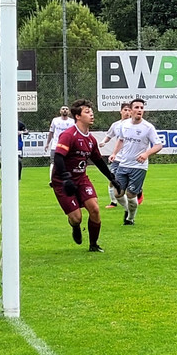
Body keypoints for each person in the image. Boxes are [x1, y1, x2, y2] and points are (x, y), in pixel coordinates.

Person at [51, 99, 121, 253]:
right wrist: (65, 177)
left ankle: (93, 245)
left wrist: (112, 178)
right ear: (77, 116)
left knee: (95, 209)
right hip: (63, 181)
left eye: (91, 112)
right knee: (77, 218)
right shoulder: (69, 135)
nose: (91, 115)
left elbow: (98, 161)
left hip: (81, 179)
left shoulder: (91, 140)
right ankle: (75, 226)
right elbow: (58, 157)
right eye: (87, 112)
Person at [109, 99, 162, 225]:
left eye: (141, 108)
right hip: (123, 164)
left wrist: (146, 154)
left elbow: (158, 145)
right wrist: (114, 153)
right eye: (137, 107)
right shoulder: (124, 125)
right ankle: (128, 209)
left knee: (131, 194)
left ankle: (130, 219)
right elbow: (121, 140)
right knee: (118, 193)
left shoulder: (148, 127)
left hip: (139, 166)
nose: (139, 110)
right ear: (131, 110)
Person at [99, 102, 131, 208]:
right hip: (118, 157)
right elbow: (109, 135)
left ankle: (135, 194)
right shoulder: (116, 125)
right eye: (125, 110)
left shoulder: (134, 125)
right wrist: (104, 142)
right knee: (112, 178)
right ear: (121, 111)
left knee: (129, 181)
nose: (127, 112)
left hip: (129, 158)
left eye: (129, 110)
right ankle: (113, 202)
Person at [46, 106, 75, 172]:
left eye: (66, 109)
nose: (65, 110)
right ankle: (52, 179)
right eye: (63, 109)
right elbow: (51, 132)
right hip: (56, 145)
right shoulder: (55, 120)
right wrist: (47, 144)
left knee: (69, 162)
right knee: (53, 162)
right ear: (60, 111)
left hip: (68, 146)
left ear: (69, 112)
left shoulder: (72, 122)